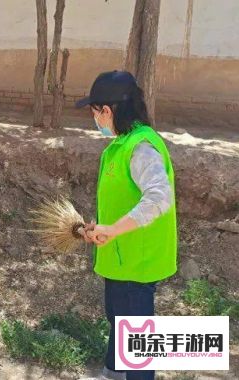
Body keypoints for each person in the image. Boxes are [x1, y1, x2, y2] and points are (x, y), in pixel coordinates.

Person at [76, 71, 177, 380]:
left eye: (94, 112)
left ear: (107, 111)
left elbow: (160, 198)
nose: (94, 119)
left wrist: (114, 230)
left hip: (138, 262)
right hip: (121, 259)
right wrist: (97, 228)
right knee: (119, 321)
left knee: (135, 338)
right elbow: (123, 199)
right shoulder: (120, 146)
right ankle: (112, 373)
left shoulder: (141, 147)